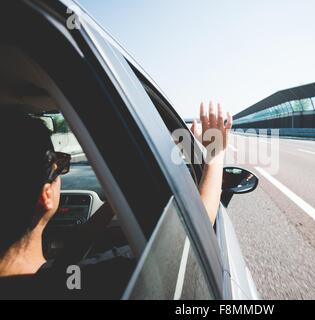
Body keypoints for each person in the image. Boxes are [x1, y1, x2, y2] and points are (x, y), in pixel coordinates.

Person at [0, 102, 232, 298]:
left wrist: (111, 206)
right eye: (59, 165)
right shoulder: (96, 280)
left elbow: (62, 264)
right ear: (46, 195)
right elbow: (184, 248)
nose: (62, 172)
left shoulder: (50, 281)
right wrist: (216, 157)